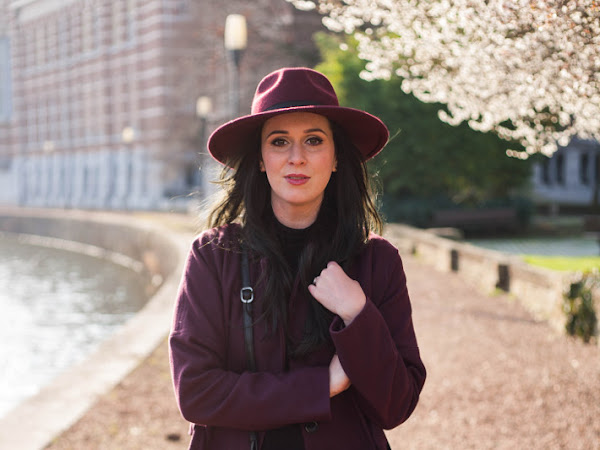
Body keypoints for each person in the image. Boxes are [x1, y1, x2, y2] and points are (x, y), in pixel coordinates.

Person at [169, 67, 426, 450]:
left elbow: (397, 405)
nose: (296, 158)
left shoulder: (377, 261)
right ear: (260, 159)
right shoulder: (212, 257)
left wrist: (359, 314)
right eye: (278, 142)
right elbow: (196, 392)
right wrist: (323, 386)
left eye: (313, 140)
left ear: (336, 157)